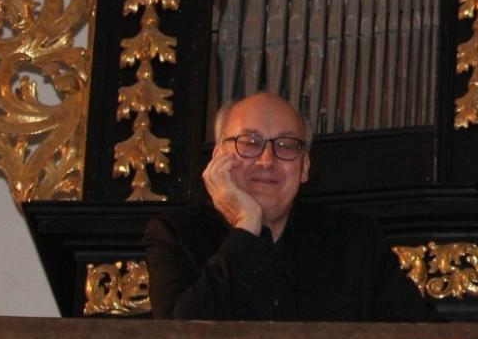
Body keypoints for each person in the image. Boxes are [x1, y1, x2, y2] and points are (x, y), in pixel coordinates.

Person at [145, 92, 436, 321]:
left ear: (305, 166)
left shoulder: (355, 241)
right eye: (250, 142)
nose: (267, 160)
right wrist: (246, 226)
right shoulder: (175, 234)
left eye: (285, 145)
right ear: (218, 158)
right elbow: (178, 338)